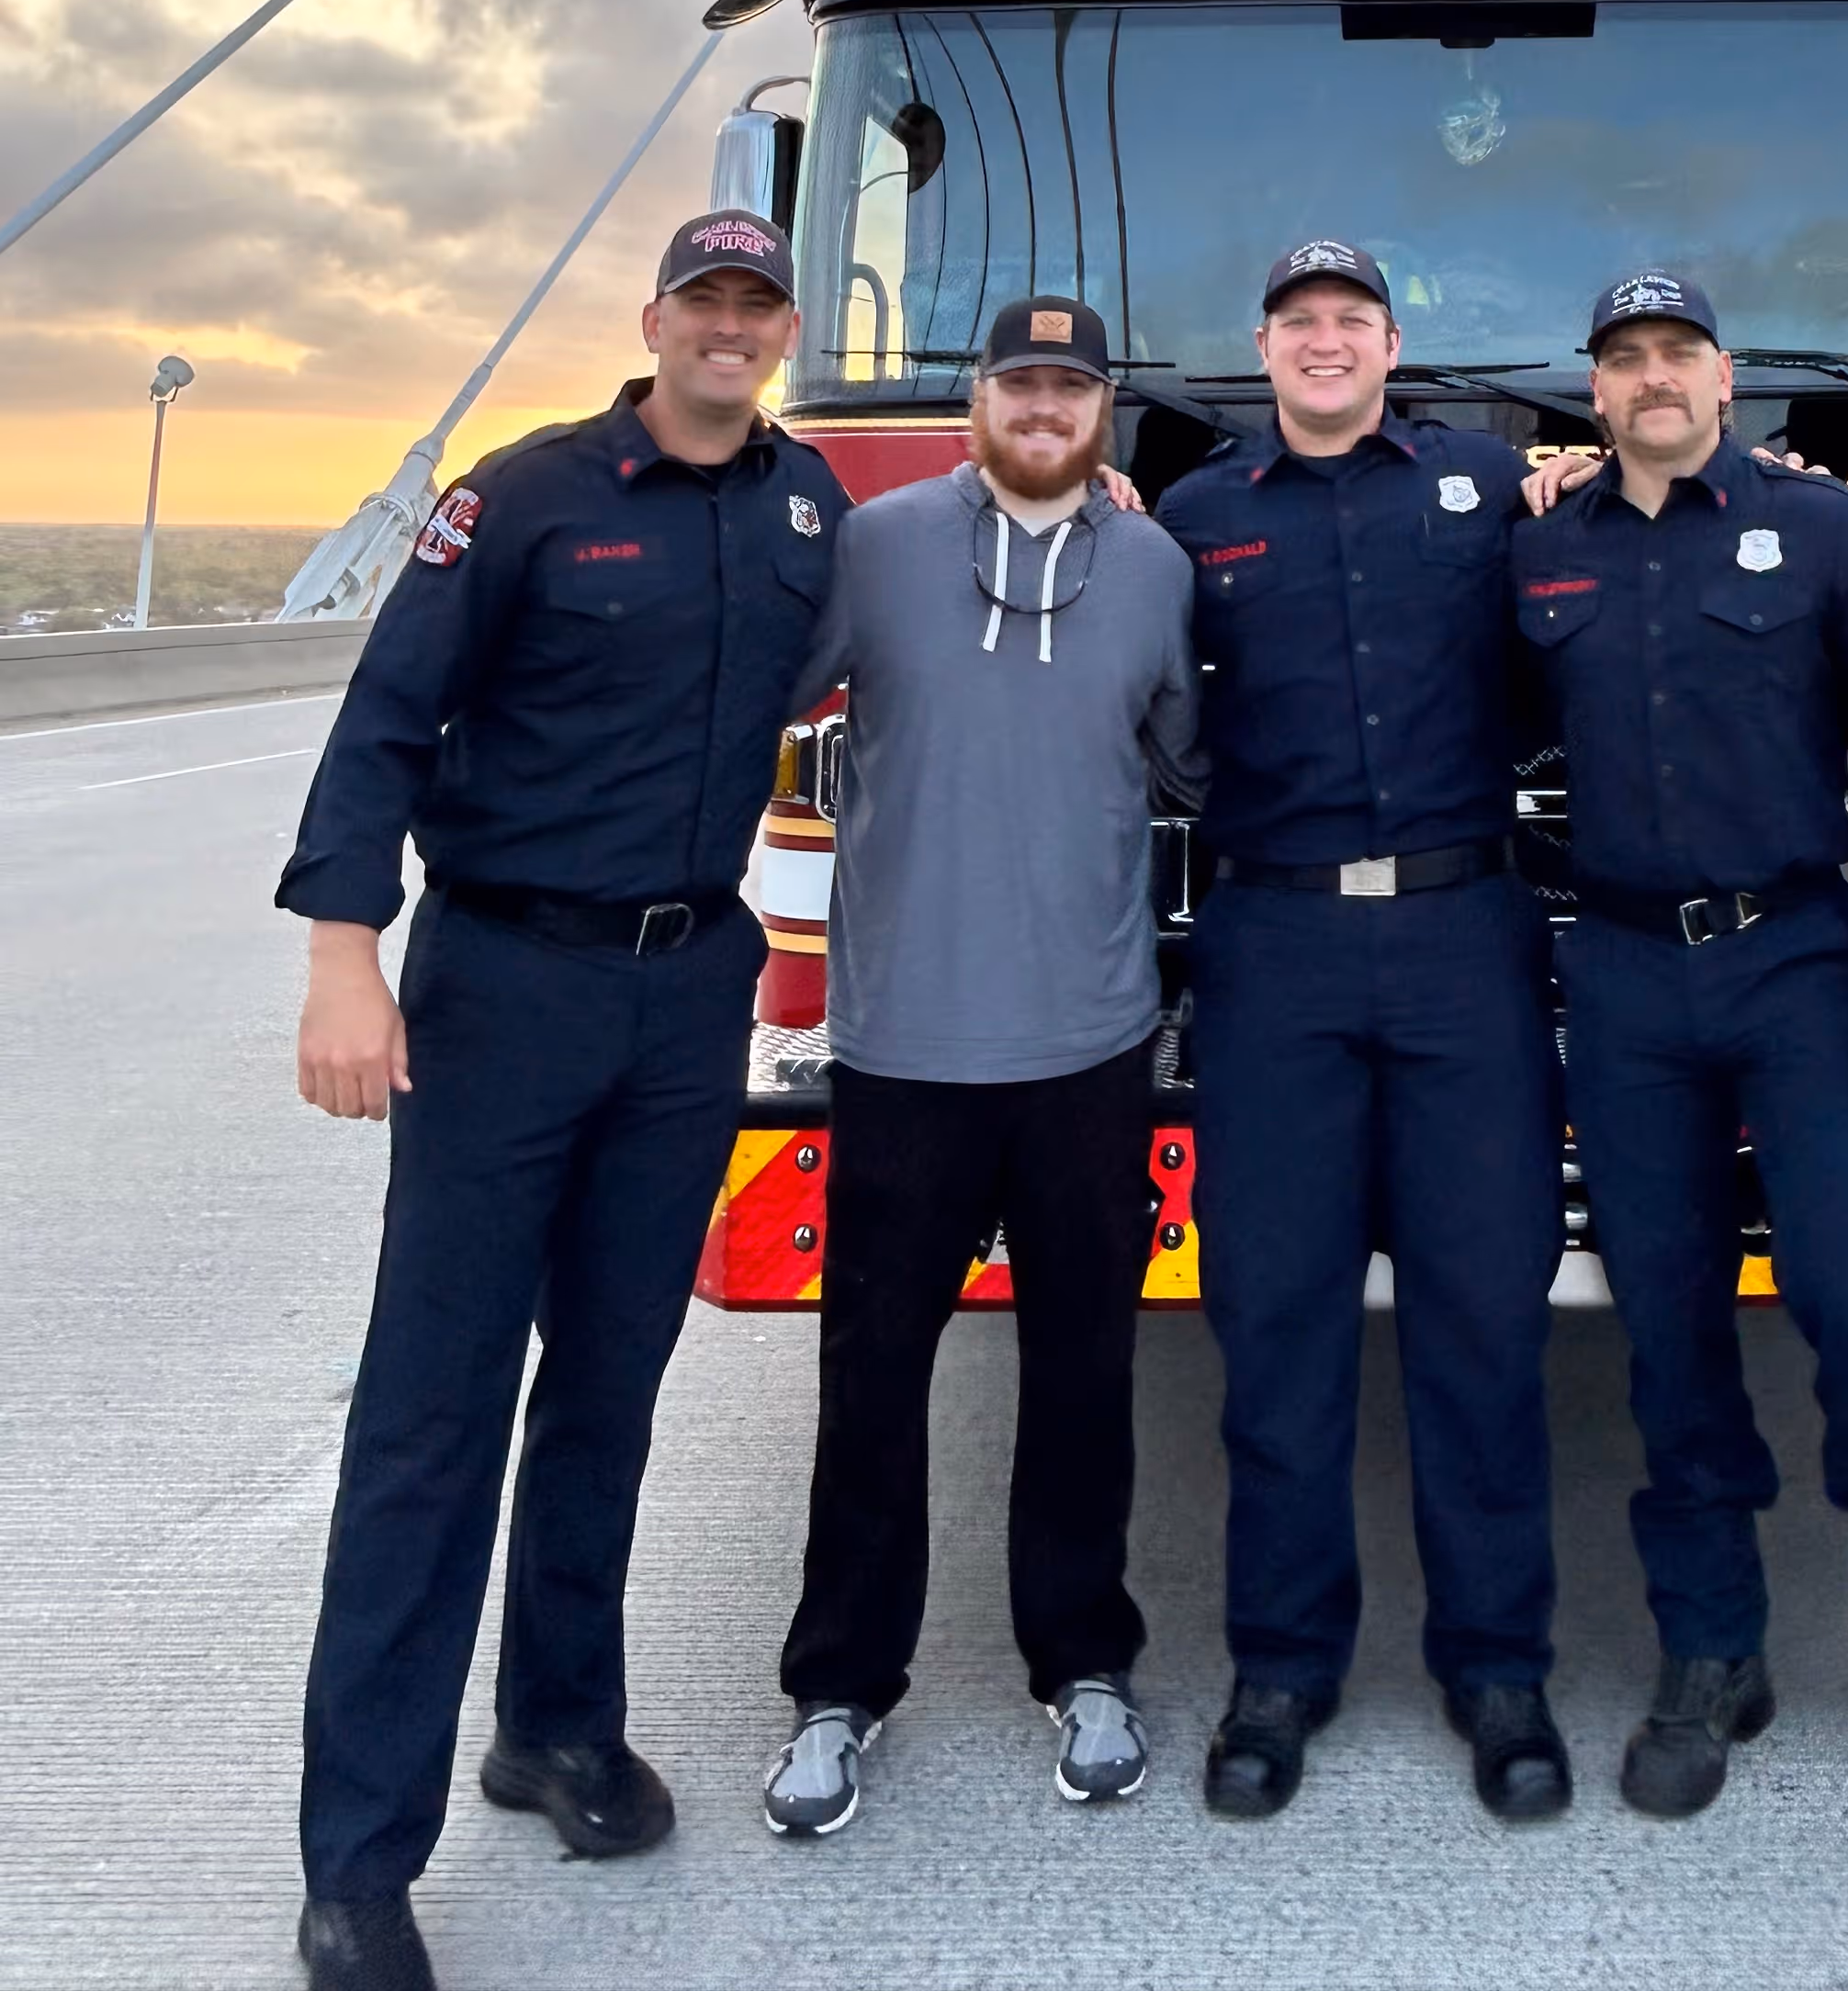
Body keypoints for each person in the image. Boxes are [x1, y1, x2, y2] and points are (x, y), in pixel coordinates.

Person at [277, 210, 839, 1991]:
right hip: (504, 986)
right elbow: (387, 719)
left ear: (784, 330)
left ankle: (558, 1730)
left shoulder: (809, 508)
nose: (729, 330)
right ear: (654, 321)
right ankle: (358, 1862)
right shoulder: (522, 498)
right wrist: (345, 957)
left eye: (757, 307)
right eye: (705, 303)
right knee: (432, 1418)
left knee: (607, 1388)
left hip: (688, 991)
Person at [1515, 268, 1848, 1826]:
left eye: (1678, 353)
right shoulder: (1542, 549)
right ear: (1595, 390)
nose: (1653, 378)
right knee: (1668, 1335)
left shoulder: (1822, 531)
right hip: (1622, 979)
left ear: (1724, 377)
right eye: (1625, 359)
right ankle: (1713, 1653)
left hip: (1796, 967)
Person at [762, 298, 1198, 1835]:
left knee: (1085, 1376)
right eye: (1020, 384)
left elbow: (1197, 761)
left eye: (1070, 388)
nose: (1043, 408)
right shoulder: (874, 549)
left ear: (1104, 410)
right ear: (979, 401)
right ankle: (837, 1688)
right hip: (904, 1043)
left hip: (1090, 1043)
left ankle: (1084, 1663)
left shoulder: (1156, 567)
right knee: (872, 1381)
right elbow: (753, 694)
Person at [1155, 241, 1571, 1825]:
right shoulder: (1192, 518)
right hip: (1277, 948)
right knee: (1279, 1325)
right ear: (1262, 350)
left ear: (1394, 344)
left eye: (1350, 321)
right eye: (1298, 324)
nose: (1324, 343)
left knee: (1484, 1318)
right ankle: (1281, 1671)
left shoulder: (1493, 488)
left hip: (1466, 936)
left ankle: (1499, 1671)